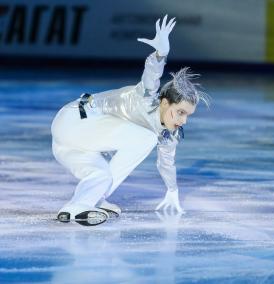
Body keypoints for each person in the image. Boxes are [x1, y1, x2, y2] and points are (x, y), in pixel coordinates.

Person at [50, 15, 209, 225]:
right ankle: (93, 199)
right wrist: (161, 54)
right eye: (180, 112)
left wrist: (172, 190)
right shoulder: (146, 97)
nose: (184, 120)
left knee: (101, 176)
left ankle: (81, 205)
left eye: (188, 115)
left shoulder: (169, 134)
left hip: (70, 147)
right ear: (164, 103)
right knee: (147, 138)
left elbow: (166, 163)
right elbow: (152, 74)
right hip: (75, 119)